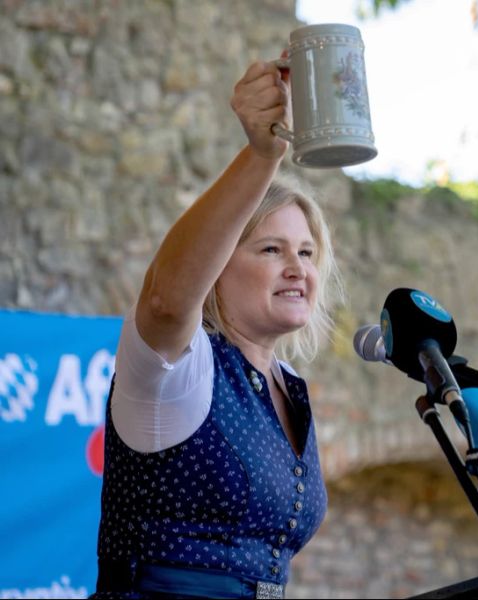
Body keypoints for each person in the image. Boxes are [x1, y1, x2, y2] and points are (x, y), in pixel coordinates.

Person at [91, 60, 343, 599]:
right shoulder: (178, 368)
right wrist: (261, 155)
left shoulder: (289, 385)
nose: (297, 267)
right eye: (271, 250)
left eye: (306, 252)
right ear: (215, 266)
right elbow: (163, 302)